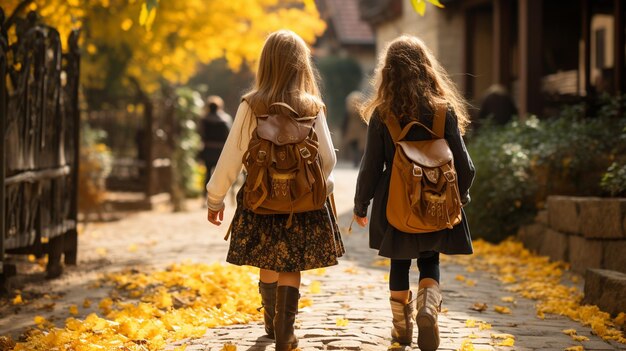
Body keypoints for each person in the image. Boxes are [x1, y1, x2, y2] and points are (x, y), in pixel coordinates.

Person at [205, 30, 344, 351]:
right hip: (303, 203)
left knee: (267, 259)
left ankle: (270, 320)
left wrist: (215, 197)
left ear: (266, 64)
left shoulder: (251, 105)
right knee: (290, 265)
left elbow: (231, 155)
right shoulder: (312, 105)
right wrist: (321, 187)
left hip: (261, 197)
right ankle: (286, 332)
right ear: (302, 65)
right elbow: (328, 158)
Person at [352, 35, 475, 351]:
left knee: (399, 263)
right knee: (430, 260)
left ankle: (401, 328)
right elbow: (467, 167)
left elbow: (370, 167)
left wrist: (361, 204)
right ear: (426, 68)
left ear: (387, 72)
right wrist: (458, 197)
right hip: (436, 204)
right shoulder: (442, 111)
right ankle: (428, 309)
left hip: (396, 205)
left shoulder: (383, 114)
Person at [199, 95, 232, 197]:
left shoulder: (204, 119)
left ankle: (205, 196)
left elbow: (201, 134)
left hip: (208, 149)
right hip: (220, 150)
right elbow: (229, 135)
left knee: (207, 174)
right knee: (220, 175)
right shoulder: (225, 119)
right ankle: (220, 195)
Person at [342, 91, 367, 167]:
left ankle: (356, 161)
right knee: (360, 147)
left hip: (351, 130)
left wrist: (344, 130)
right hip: (361, 131)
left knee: (354, 146)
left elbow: (345, 121)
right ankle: (358, 160)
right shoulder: (361, 110)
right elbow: (364, 120)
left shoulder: (349, 111)